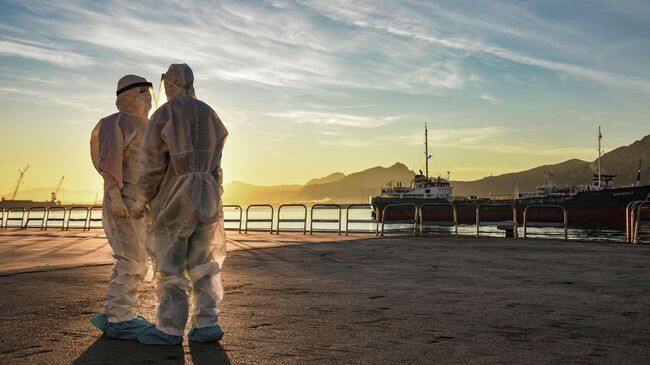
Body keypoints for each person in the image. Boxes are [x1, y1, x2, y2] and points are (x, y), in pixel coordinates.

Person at [131, 64, 228, 345]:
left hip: (175, 197)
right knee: (204, 259)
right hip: (208, 195)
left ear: (170, 83)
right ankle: (206, 323)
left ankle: (170, 328)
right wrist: (215, 191)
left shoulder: (165, 113)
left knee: (170, 262)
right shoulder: (210, 113)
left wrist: (140, 198)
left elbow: (151, 163)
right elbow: (217, 164)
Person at [89, 75, 155, 339]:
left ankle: (118, 311)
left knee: (140, 259)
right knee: (131, 259)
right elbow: (110, 161)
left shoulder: (150, 125)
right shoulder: (113, 123)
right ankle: (119, 318)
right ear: (128, 95)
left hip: (144, 203)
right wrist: (115, 197)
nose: (148, 98)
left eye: (149, 92)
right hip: (124, 201)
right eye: (143, 92)